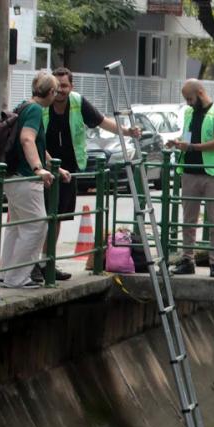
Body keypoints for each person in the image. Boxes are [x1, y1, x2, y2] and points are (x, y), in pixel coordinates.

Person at [42, 67, 141, 282]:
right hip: (43, 169)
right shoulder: (43, 103)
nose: (60, 91)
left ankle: (47, 261)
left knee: (57, 216)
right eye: (56, 86)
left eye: (64, 86)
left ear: (72, 87)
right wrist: (48, 164)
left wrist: (126, 132)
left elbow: (102, 121)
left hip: (69, 170)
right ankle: (37, 264)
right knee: (41, 218)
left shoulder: (77, 102)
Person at [0, 71, 59, 289]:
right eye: (56, 92)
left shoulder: (23, 105)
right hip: (25, 178)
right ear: (51, 92)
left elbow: (35, 143)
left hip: (13, 176)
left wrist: (53, 166)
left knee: (16, 227)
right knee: (37, 224)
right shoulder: (35, 110)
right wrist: (38, 169)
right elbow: (27, 139)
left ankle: (5, 274)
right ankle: (17, 277)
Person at [167, 79, 214, 278]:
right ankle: (188, 260)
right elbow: (188, 137)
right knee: (188, 220)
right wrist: (178, 143)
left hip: (212, 173)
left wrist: (192, 147)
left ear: (200, 93)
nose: (188, 103)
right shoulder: (189, 112)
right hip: (189, 171)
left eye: (190, 98)